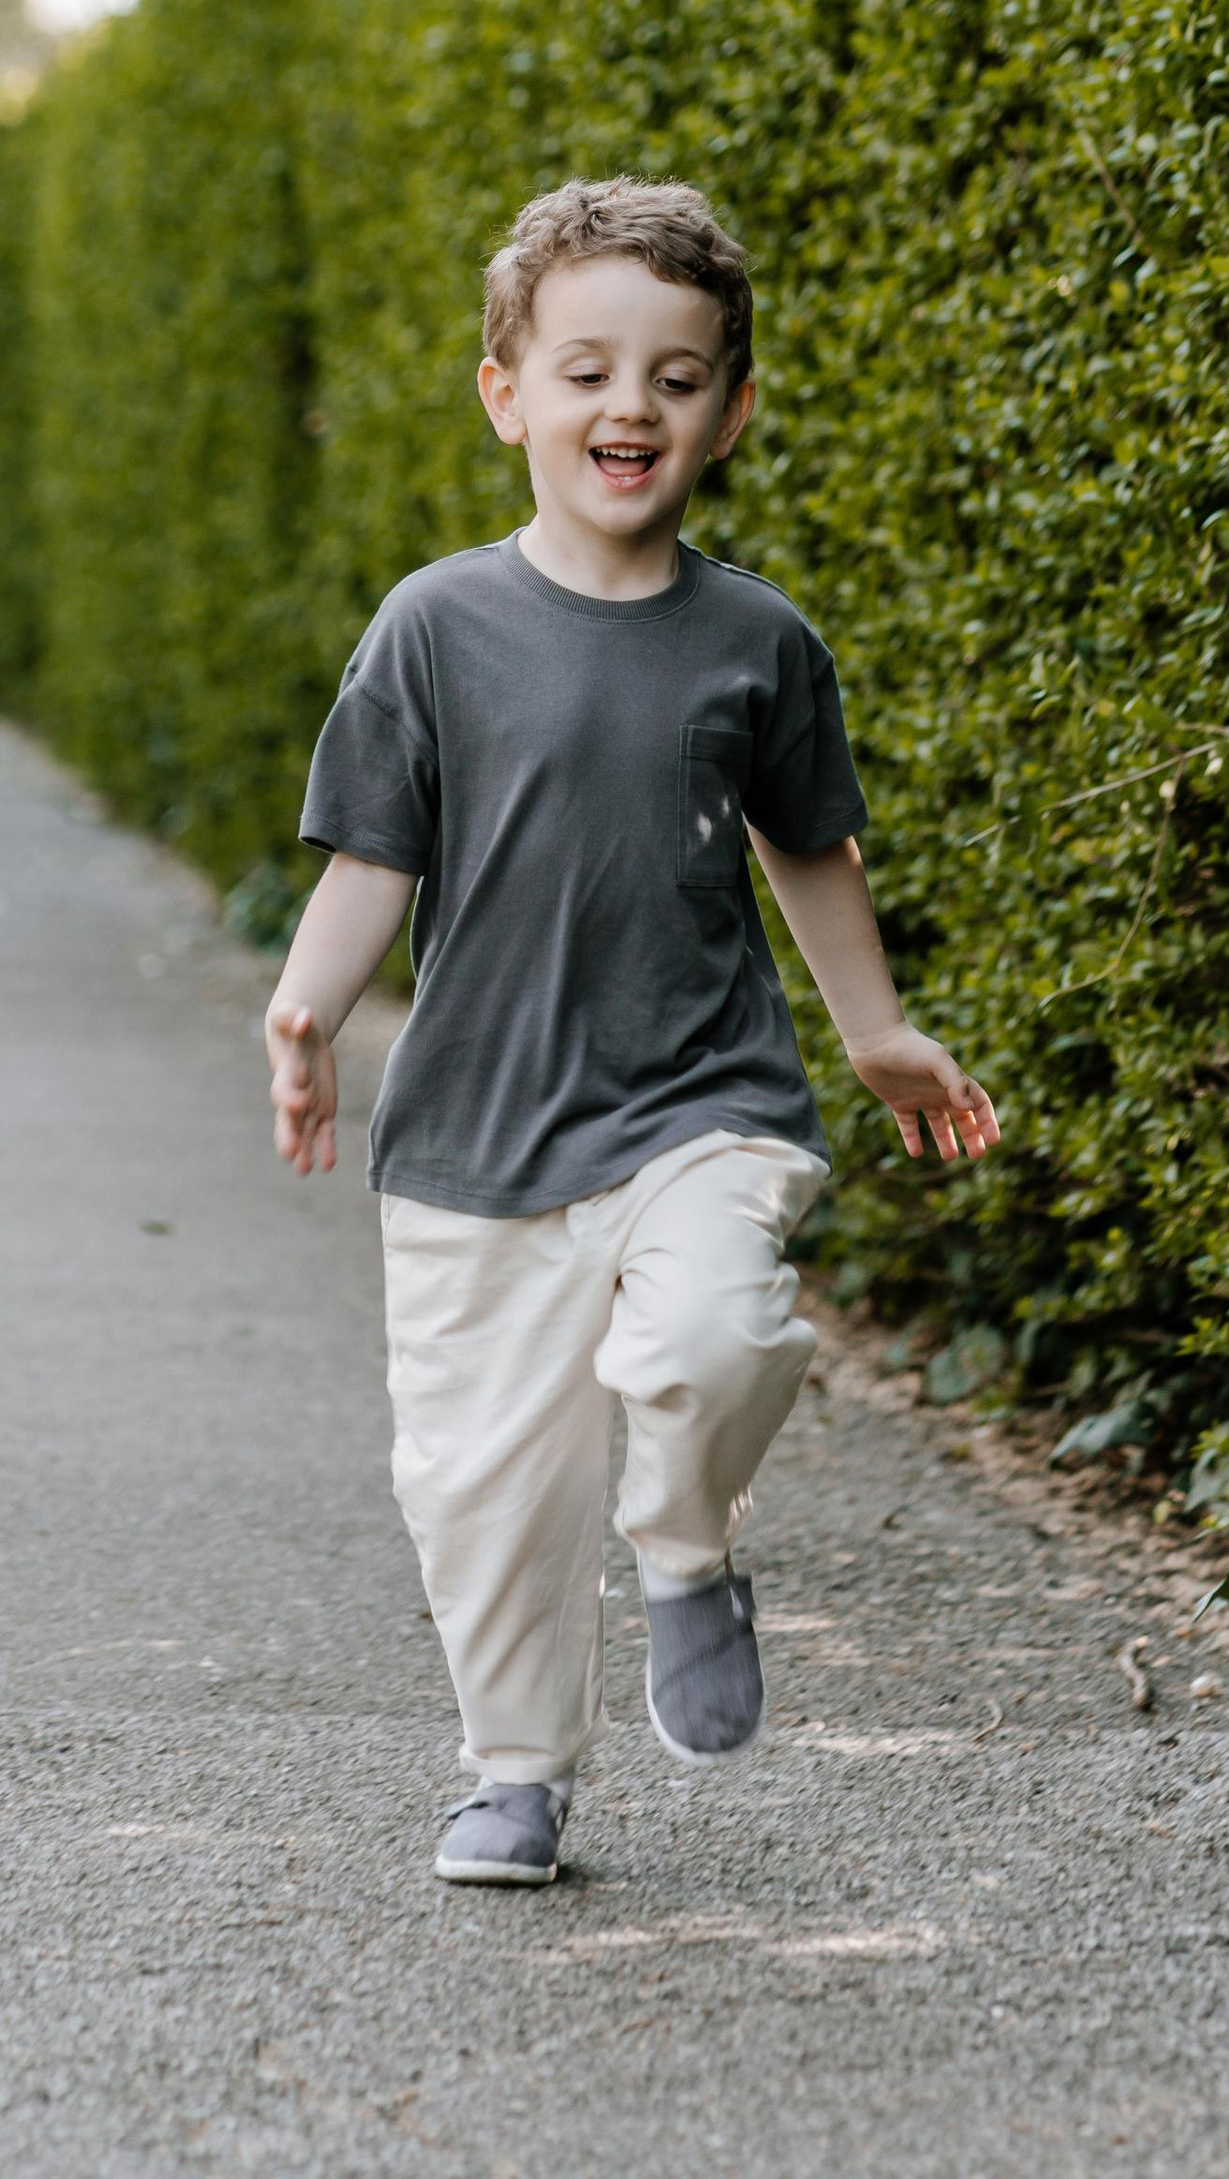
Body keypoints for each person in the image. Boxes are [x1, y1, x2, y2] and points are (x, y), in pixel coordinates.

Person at [265, 176, 999, 1888]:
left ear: (730, 412)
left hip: (701, 1103)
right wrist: (305, 1008)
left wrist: (874, 1029)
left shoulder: (759, 641)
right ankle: (514, 1770)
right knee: (482, 1491)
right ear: (506, 391)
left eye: (676, 378)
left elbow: (809, 845)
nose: (630, 407)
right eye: (587, 368)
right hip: (475, 1135)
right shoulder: (433, 626)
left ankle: (686, 1544)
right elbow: (378, 853)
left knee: (719, 1336)